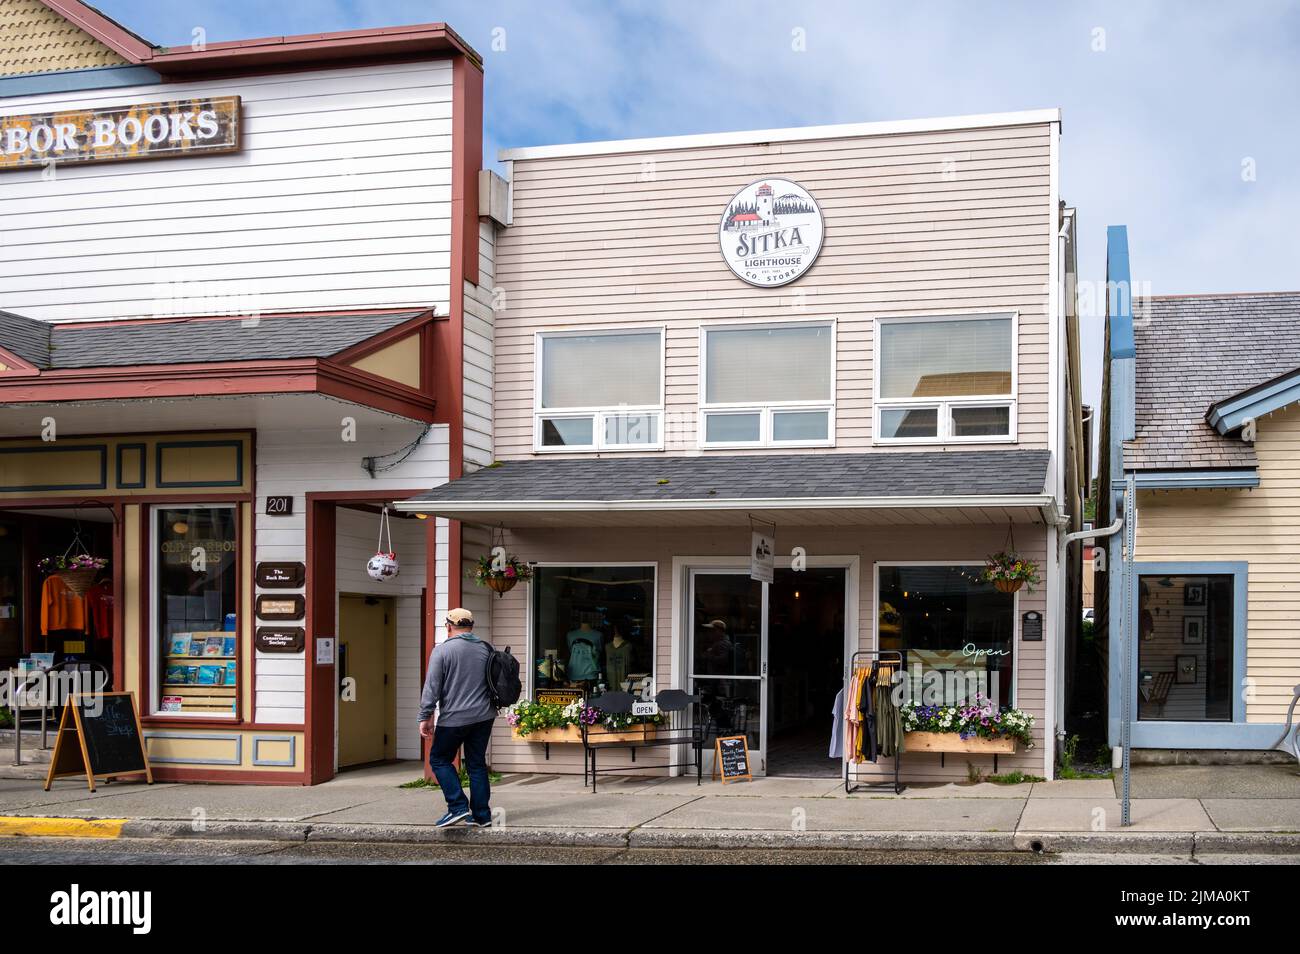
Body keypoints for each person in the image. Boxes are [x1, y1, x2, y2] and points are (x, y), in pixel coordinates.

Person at [418, 607, 497, 828]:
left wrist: (425, 716)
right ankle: (482, 815)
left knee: (439, 759)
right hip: (484, 716)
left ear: (449, 626)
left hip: (454, 718)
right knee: (477, 764)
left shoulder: (442, 651)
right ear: (471, 626)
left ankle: (457, 807)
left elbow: (432, 687)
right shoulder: (485, 648)